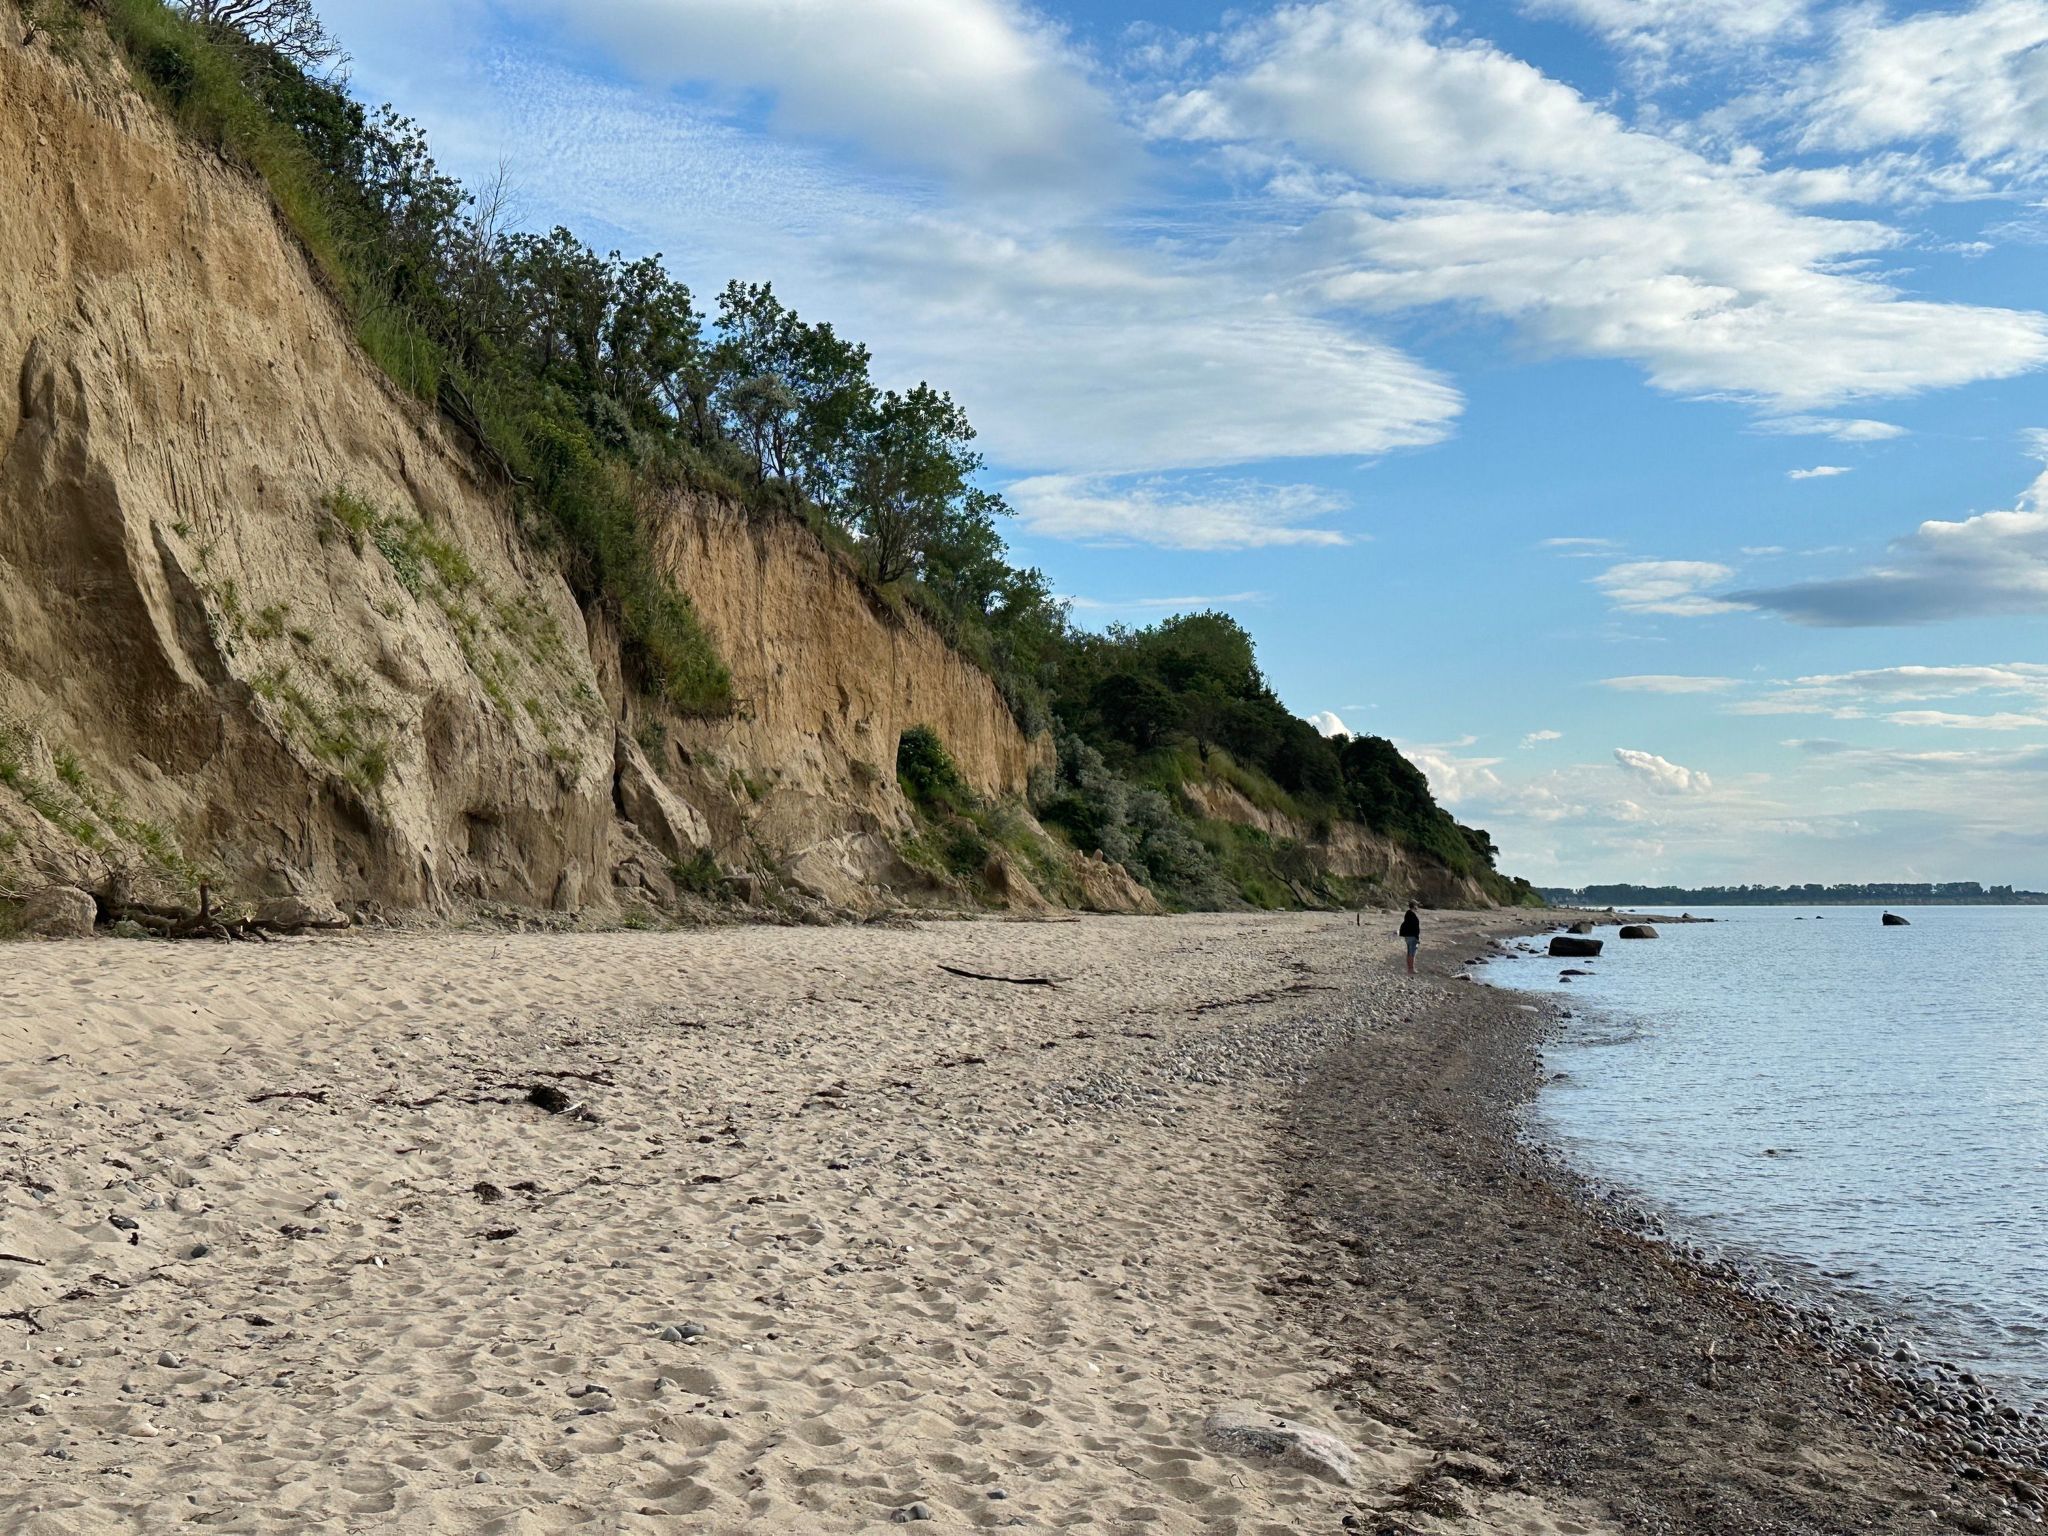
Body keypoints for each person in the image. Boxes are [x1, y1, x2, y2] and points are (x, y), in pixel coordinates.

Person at [1399, 903, 1421, 974]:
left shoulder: (1408, 914)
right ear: (1414, 907)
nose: (1417, 907)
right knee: (1412, 954)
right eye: (1417, 906)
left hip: (1408, 936)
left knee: (1410, 953)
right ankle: (1411, 969)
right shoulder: (1412, 915)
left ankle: (1410, 969)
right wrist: (1417, 938)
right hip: (1412, 937)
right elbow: (1415, 928)